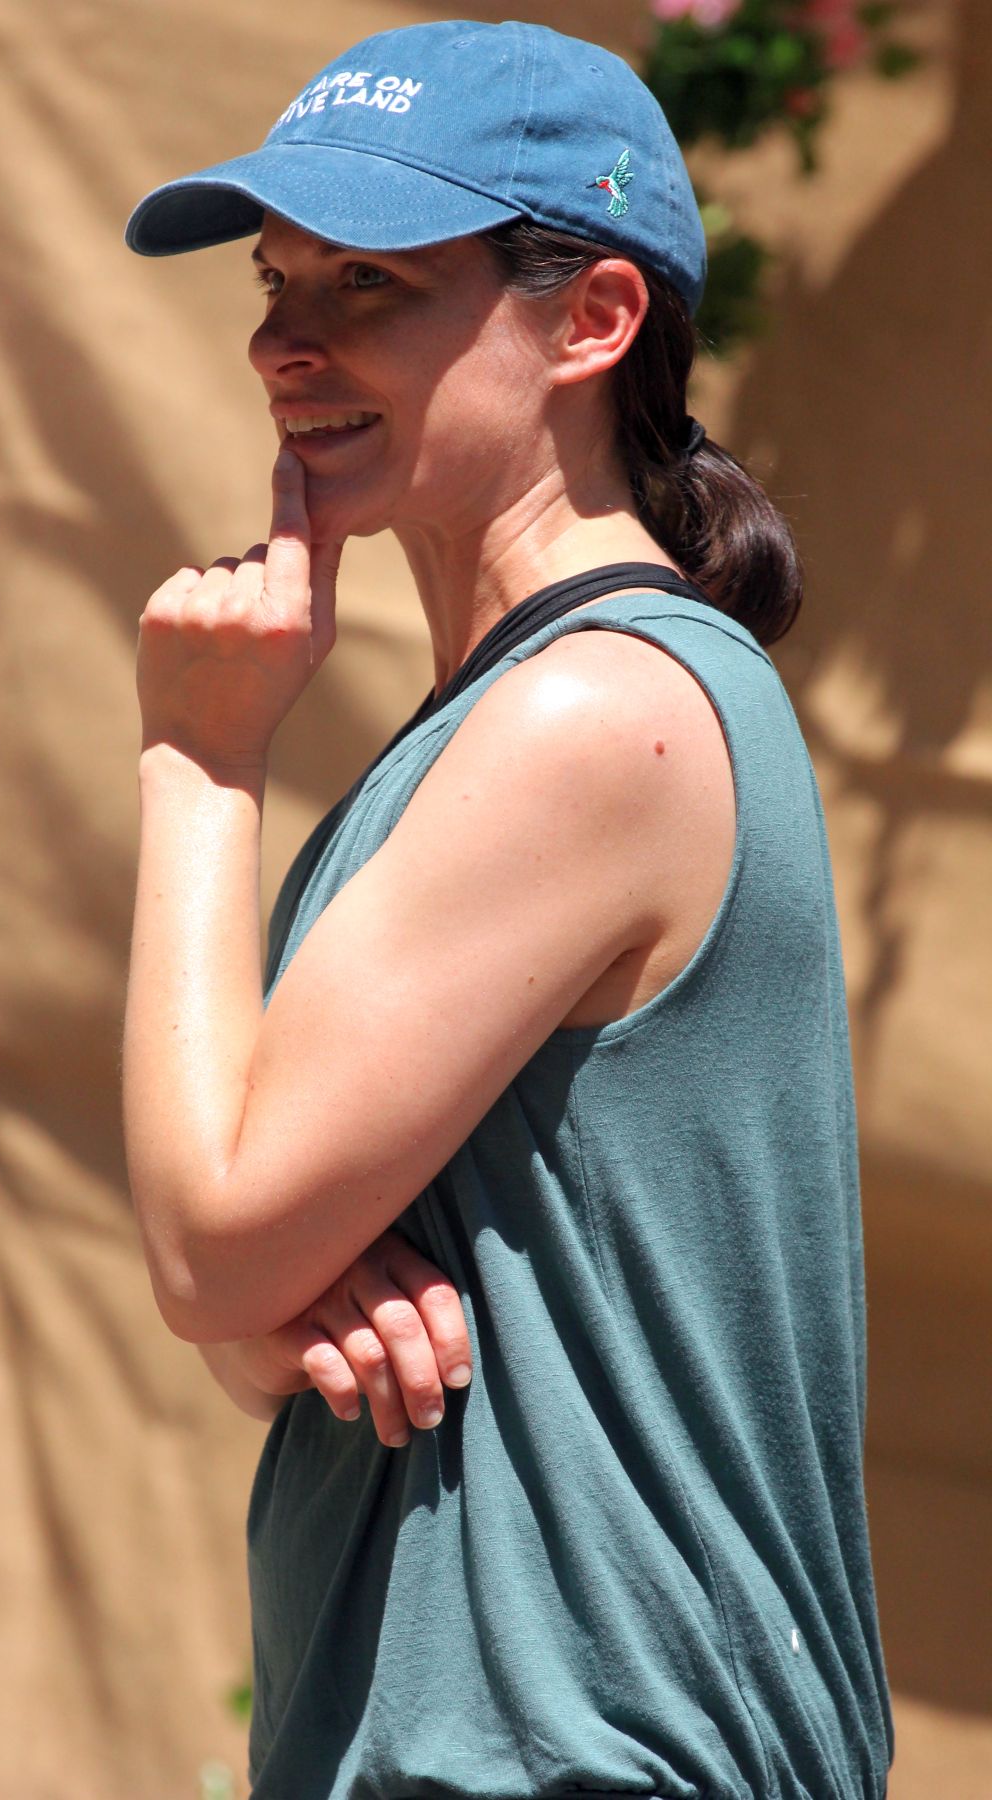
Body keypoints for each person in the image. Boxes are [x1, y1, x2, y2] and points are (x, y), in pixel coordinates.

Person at [120, 19, 893, 1799]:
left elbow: (207, 1239)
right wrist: (273, 1315)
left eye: (370, 283)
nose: (283, 342)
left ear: (595, 319)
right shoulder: (515, 716)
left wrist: (196, 761)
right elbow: (238, 1269)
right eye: (275, 280)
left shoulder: (594, 716)